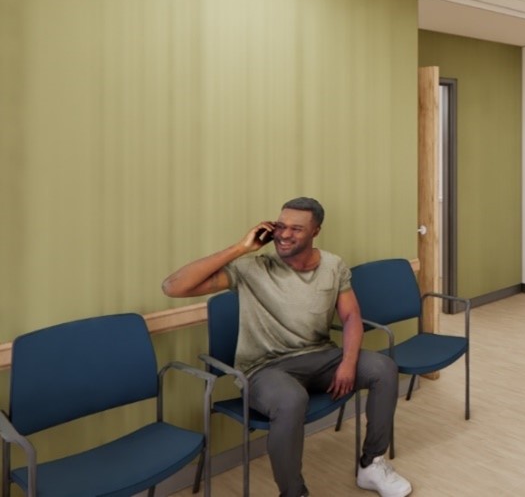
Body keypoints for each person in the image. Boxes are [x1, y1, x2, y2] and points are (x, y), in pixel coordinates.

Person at [162, 197, 412, 497]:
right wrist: (241, 247)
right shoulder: (252, 268)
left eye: (296, 228)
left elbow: (351, 316)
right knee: (291, 400)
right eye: (280, 226)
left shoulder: (333, 265)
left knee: (383, 368)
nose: (283, 234)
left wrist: (347, 363)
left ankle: (371, 464)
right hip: (264, 369)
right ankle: (293, 492)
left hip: (321, 357)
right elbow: (173, 287)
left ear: (315, 231)